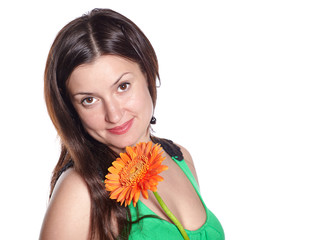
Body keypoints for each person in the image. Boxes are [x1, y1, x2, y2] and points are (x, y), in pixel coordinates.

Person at [39, 8, 224, 240]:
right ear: (71, 110)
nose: (114, 115)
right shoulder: (80, 191)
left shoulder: (180, 157)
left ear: (147, 74)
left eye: (122, 86)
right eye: (89, 100)